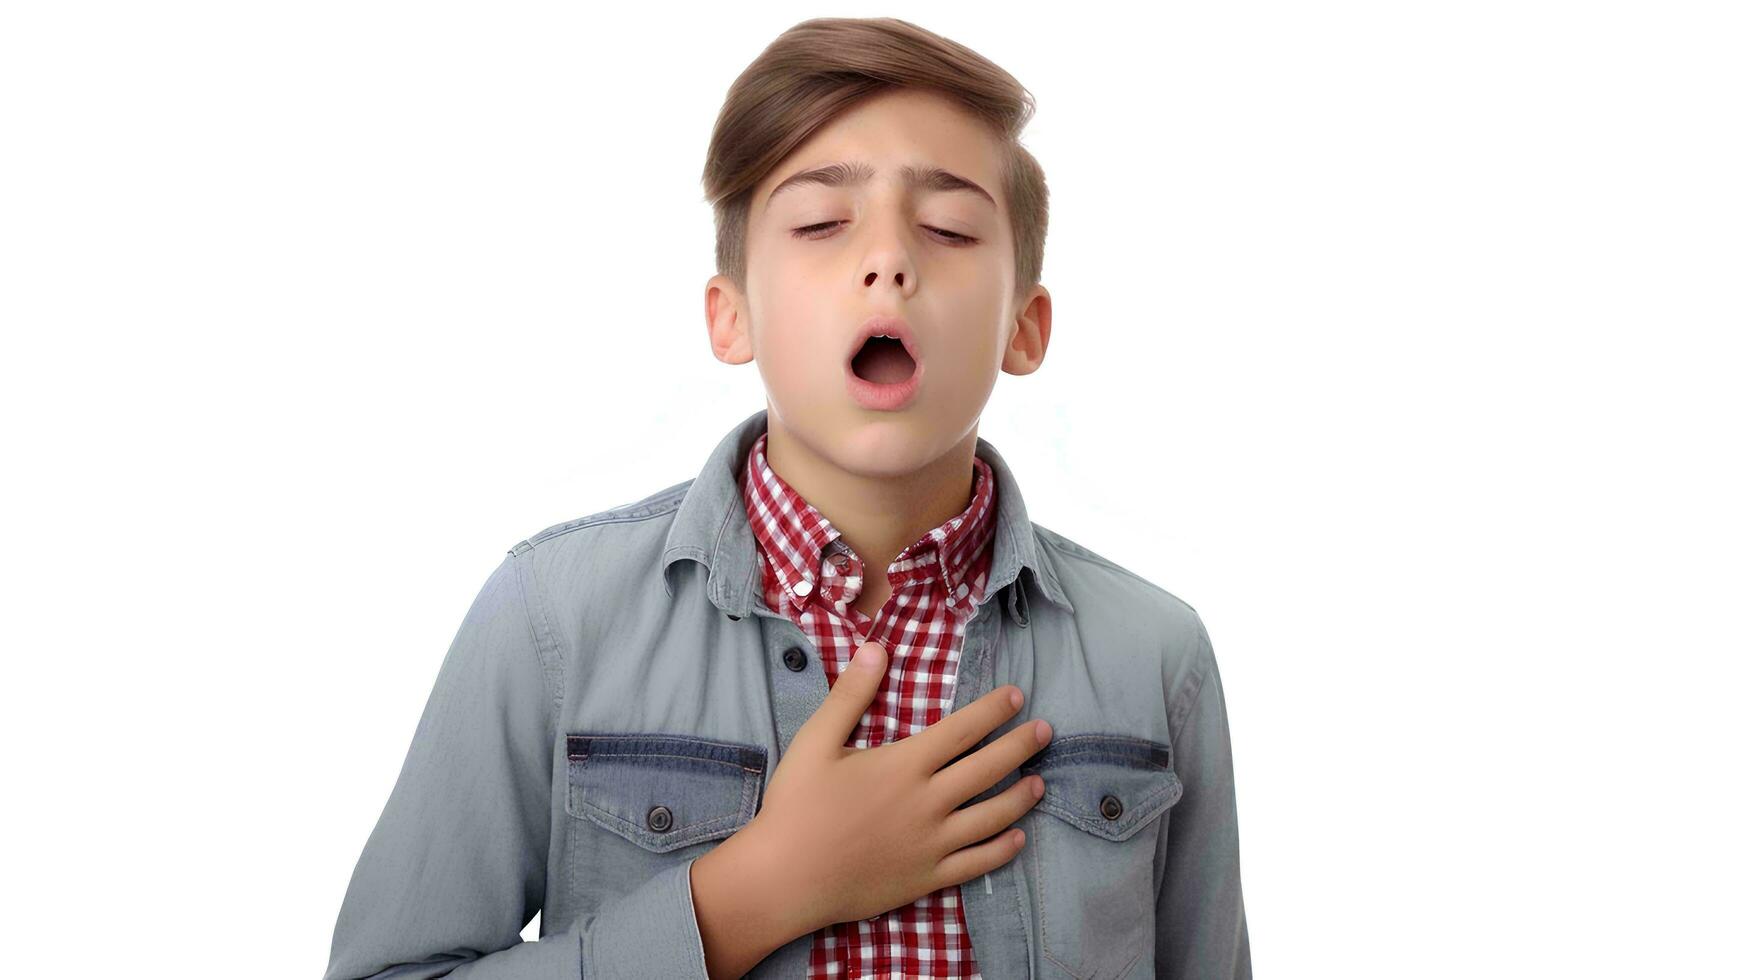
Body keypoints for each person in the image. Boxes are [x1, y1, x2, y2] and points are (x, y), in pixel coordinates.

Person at [323, 16, 1248, 980]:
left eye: (948, 227)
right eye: (818, 225)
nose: (889, 260)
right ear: (733, 315)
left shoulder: (1157, 654)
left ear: (1024, 326)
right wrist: (748, 896)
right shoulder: (549, 618)